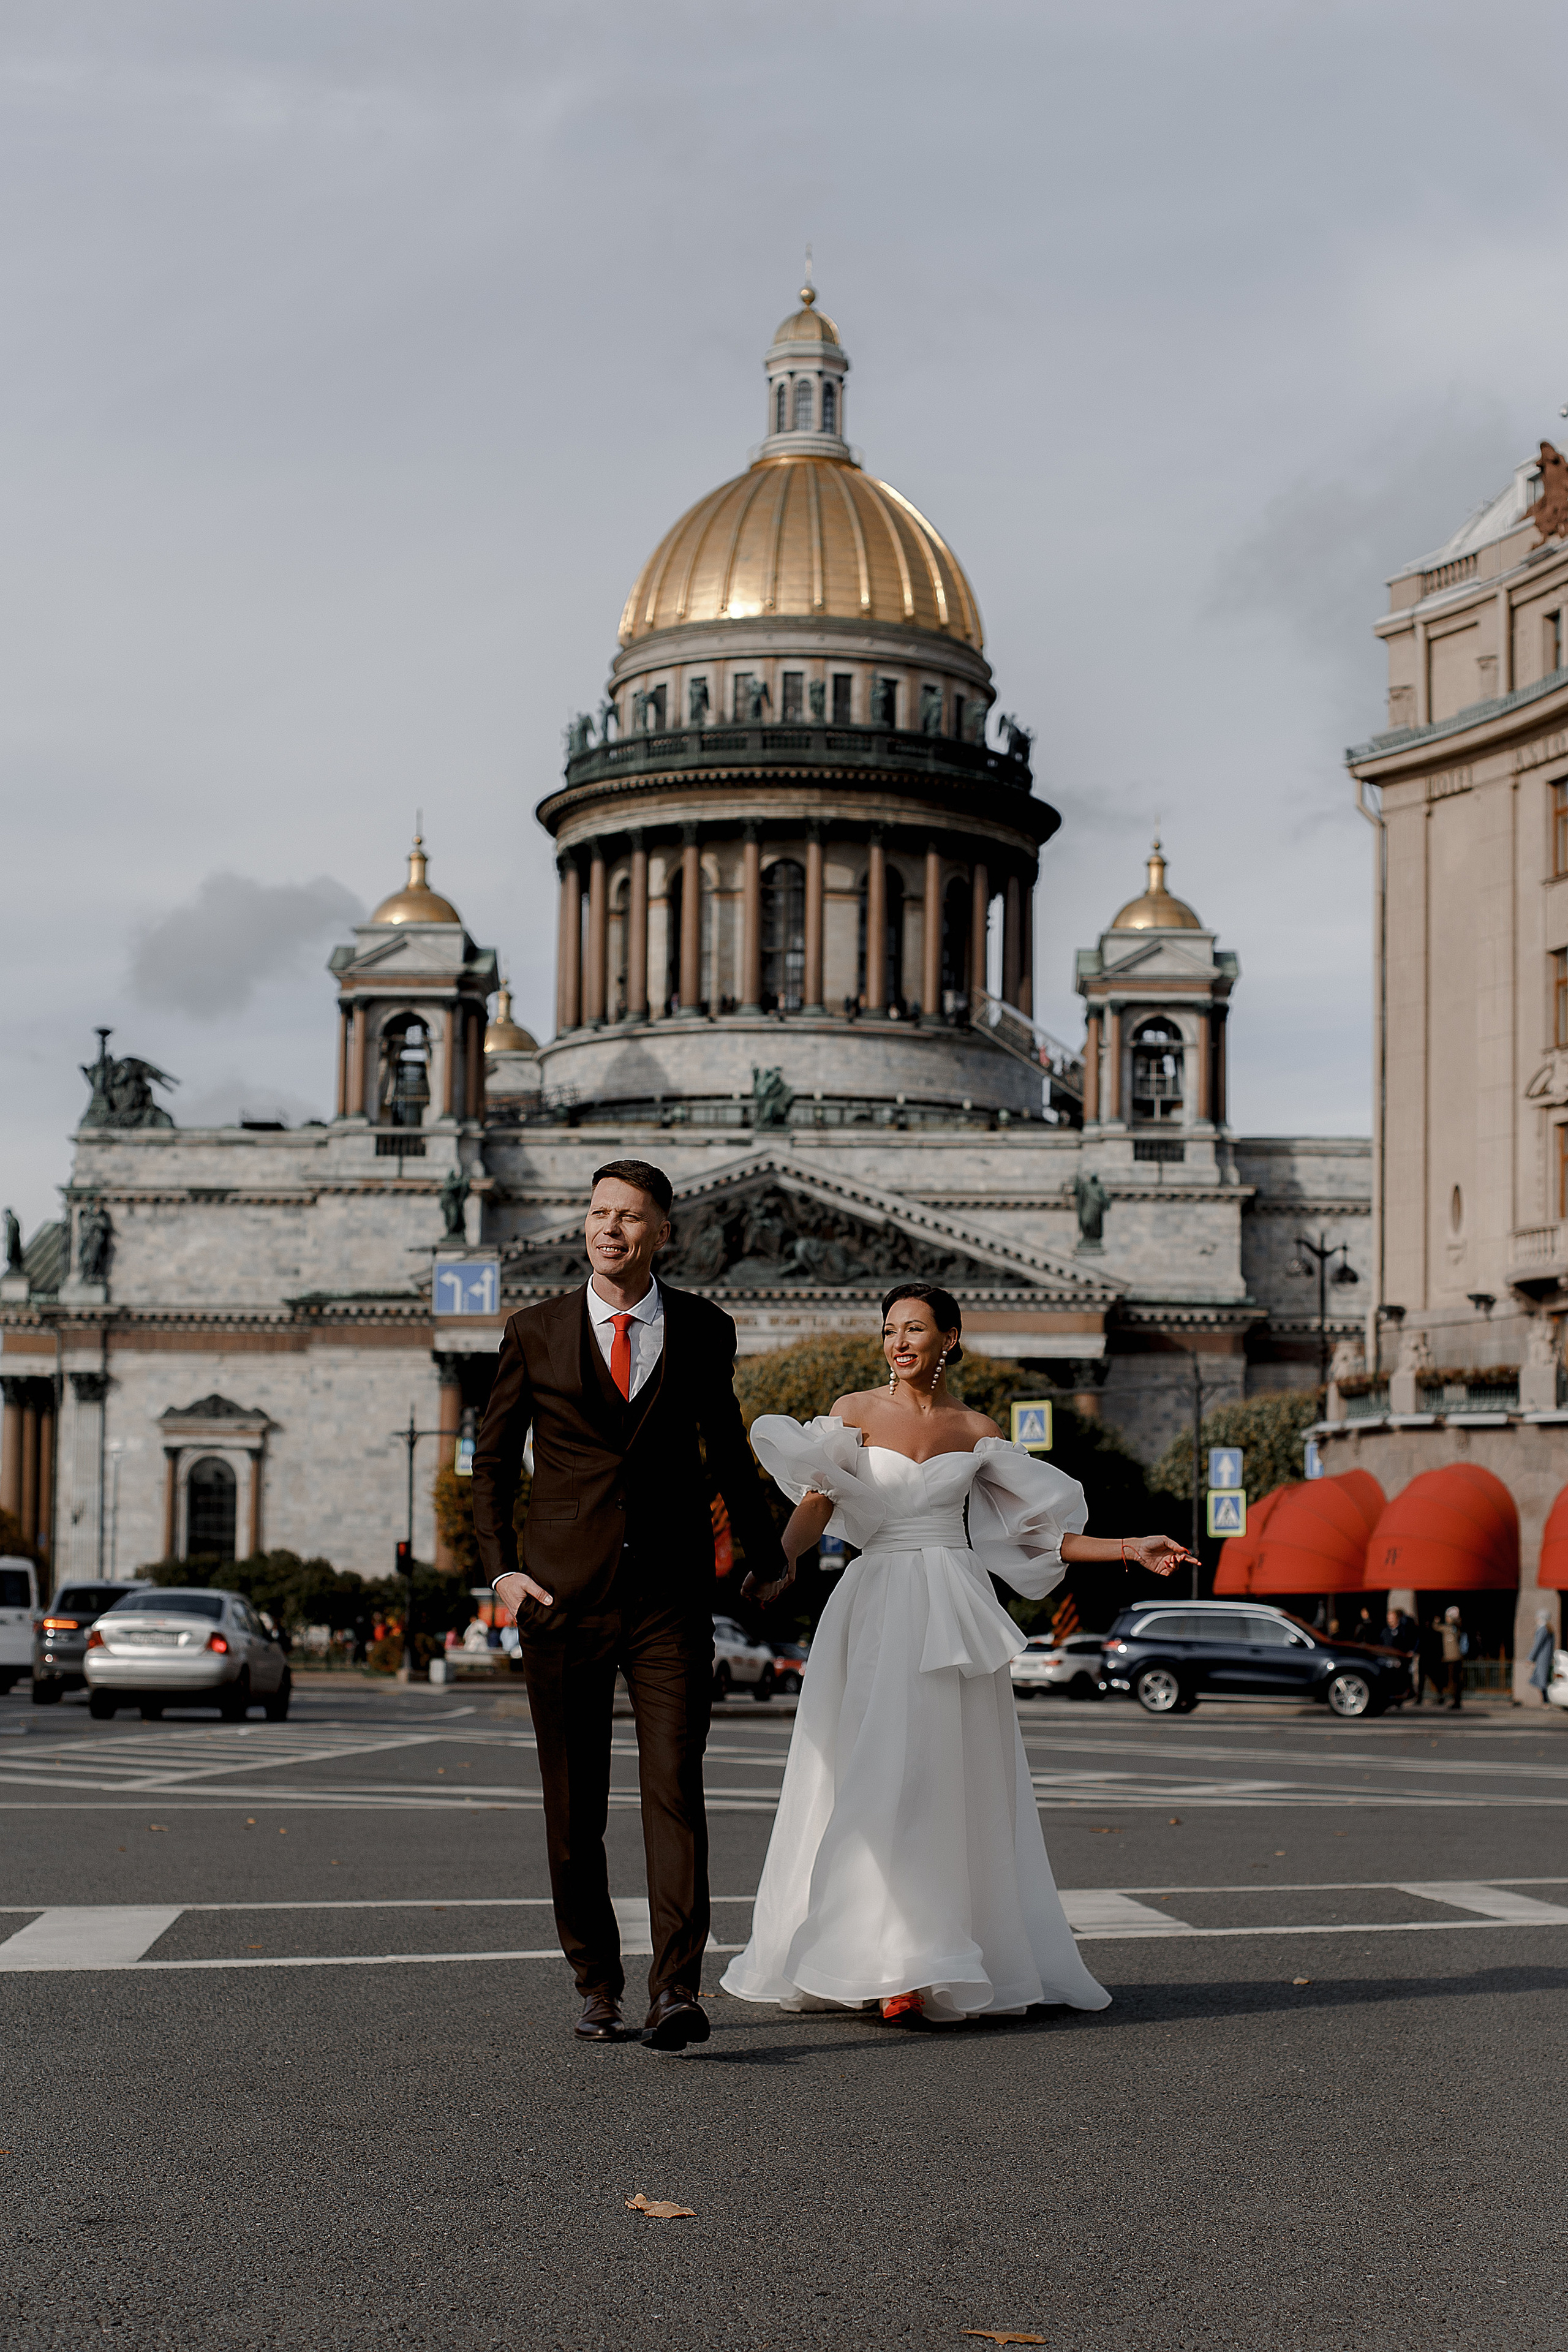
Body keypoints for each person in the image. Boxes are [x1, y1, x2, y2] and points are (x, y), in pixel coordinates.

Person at [720, 1283, 1197, 2027]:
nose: (899, 1342)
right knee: (871, 1771)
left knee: (943, 1779)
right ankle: (869, 1954)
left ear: (949, 1338)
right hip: (874, 1604)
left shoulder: (977, 1428)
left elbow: (1040, 1535)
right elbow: (815, 1504)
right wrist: (778, 1562)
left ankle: (926, 1955)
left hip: (952, 1607)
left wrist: (1129, 1547)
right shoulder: (852, 1412)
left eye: (914, 1329)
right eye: (888, 1330)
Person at [472, 1158, 789, 2052]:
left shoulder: (702, 1327)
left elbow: (726, 1451)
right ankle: (597, 1983)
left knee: (674, 1793)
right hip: (559, 1600)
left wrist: (766, 1560)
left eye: (630, 1217)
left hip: (669, 1597)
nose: (610, 1229)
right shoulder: (533, 1330)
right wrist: (501, 1573)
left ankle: (676, 1990)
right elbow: (491, 1463)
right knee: (573, 1810)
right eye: (599, 1213)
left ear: (664, 1234)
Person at [1439, 1605, 1466, 1711]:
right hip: (1454, 1658)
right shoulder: (1454, 1628)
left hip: (1453, 1658)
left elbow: (1436, 1626)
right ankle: (1456, 1700)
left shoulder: (1452, 1628)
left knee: (1454, 1680)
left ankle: (1456, 1701)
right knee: (1454, 1680)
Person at [1529, 1608, 1555, 1705]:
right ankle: (1546, 1700)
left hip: (1542, 1658)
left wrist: (1531, 1658)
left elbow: (1538, 1645)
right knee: (1541, 1680)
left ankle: (1546, 1700)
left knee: (1542, 1680)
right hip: (1545, 1658)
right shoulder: (1548, 1629)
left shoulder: (1543, 1629)